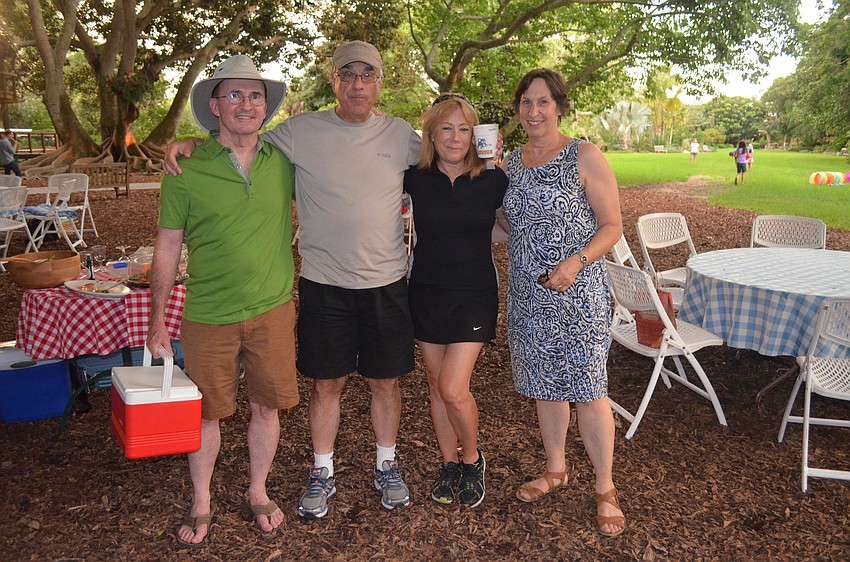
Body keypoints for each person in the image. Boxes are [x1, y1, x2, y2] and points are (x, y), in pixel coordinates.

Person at [163, 41, 421, 518]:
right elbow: (239, 139)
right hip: (323, 283)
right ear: (335, 80)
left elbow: (448, 159)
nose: (358, 83)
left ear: (380, 82)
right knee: (327, 384)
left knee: (386, 382)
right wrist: (192, 142)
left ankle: (386, 462)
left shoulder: (403, 135)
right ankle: (322, 469)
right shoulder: (299, 133)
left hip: (386, 282)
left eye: (369, 75)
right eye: (349, 74)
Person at [147, 55, 299, 547]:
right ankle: (201, 501)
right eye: (234, 95)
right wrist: (157, 323)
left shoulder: (283, 163)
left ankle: (258, 490)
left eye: (255, 96)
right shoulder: (186, 166)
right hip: (208, 313)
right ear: (214, 106)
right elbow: (168, 245)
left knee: (266, 408)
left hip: (272, 310)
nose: (246, 104)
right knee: (205, 412)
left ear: (265, 107)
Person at [498, 68, 627, 538]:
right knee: (544, 384)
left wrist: (576, 261)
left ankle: (605, 487)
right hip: (528, 294)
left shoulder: (583, 155)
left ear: (559, 107)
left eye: (543, 102)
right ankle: (556, 469)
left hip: (578, 294)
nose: (534, 112)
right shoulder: (509, 164)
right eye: (526, 103)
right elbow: (509, 226)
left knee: (590, 391)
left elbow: (612, 225)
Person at [404, 93, 508, 507]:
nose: (455, 137)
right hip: (426, 291)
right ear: (431, 133)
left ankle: (472, 458)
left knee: (452, 386)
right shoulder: (413, 178)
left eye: (464, 129)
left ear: (474, 135)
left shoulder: (493, 179)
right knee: (435, 383)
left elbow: (518, 223)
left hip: (474, 295)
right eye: (446, 127)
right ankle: (449, 463)